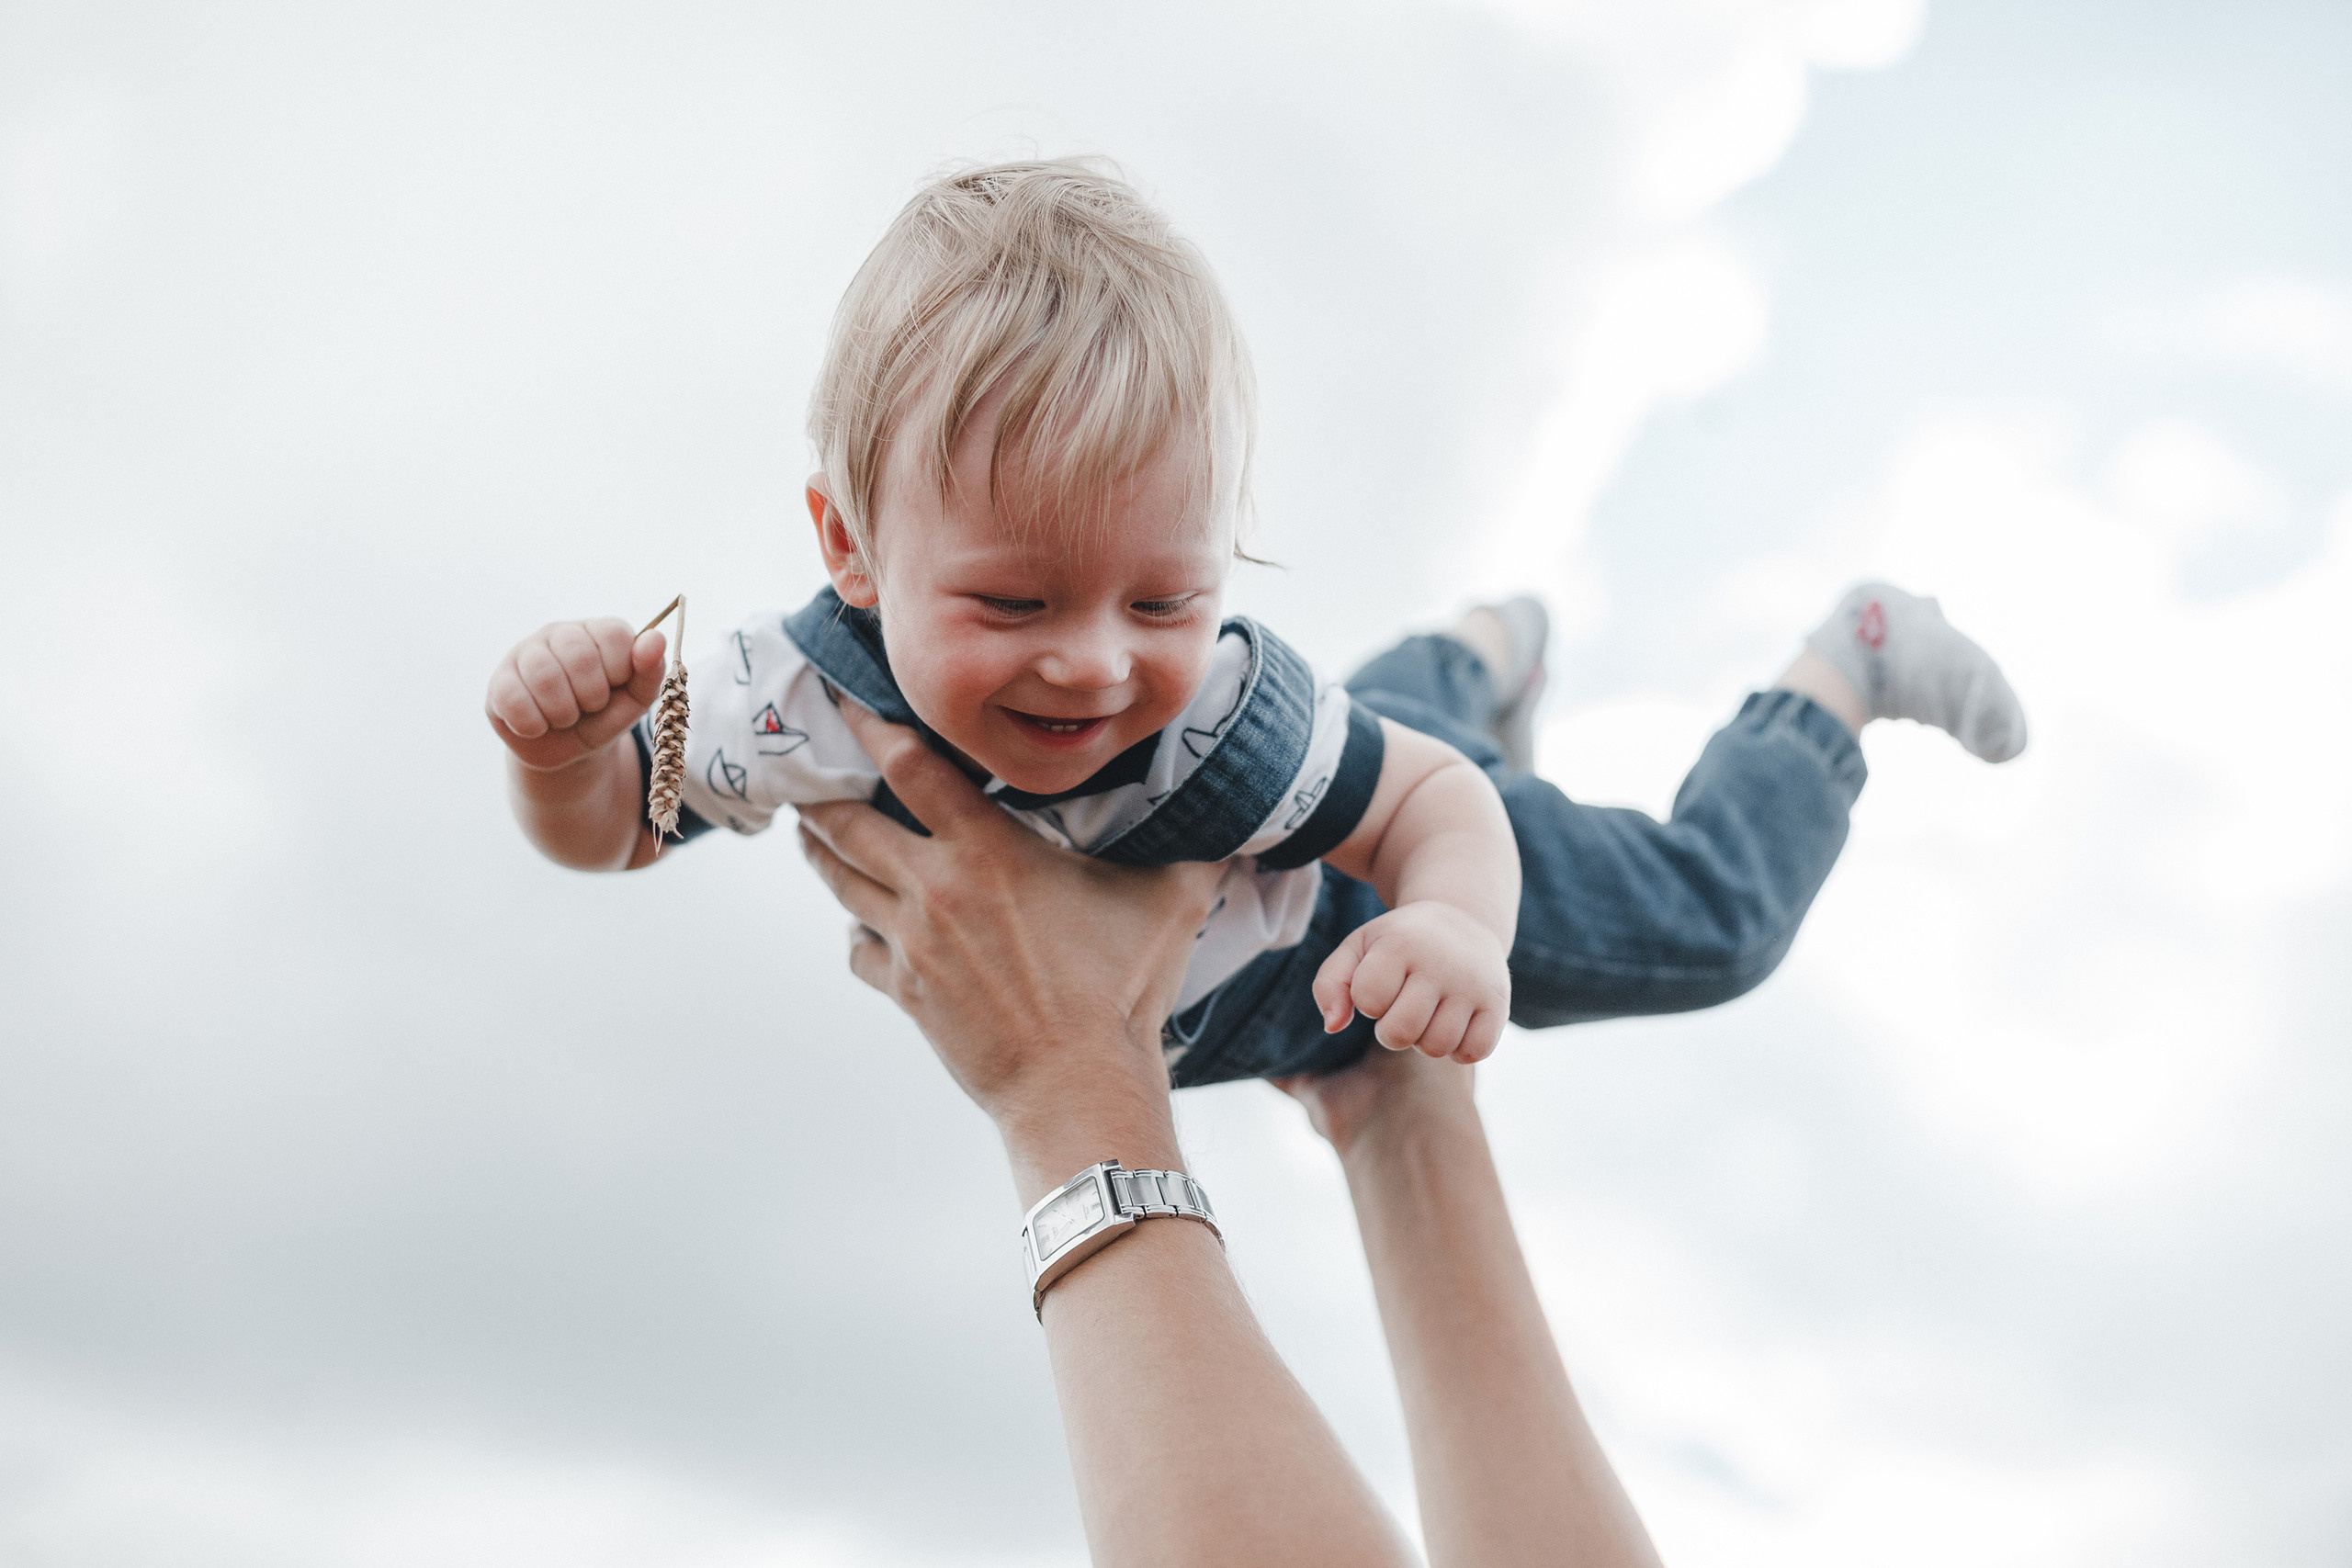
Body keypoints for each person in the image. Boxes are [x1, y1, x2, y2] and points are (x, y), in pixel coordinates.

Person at [481, 157, 2026, 1089]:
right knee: (1383, 722)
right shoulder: (786, 701)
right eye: (1015, 599)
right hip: (1281, 892)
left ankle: (1846, 668)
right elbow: (616, 829)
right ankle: (1486, 647)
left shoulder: (1218, 710)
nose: (1093, 658)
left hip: (1365, 918)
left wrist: (1450, 925)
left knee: (1705, 925)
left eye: (1166, 595)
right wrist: (564, 750)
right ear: (853, 546)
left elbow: (1429, 799)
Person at [797, 699, 1664, 1568]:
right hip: (1363, 862)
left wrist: (1066, 1077)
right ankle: (1477, 660)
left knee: (1714, 916)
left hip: (1365, 859)